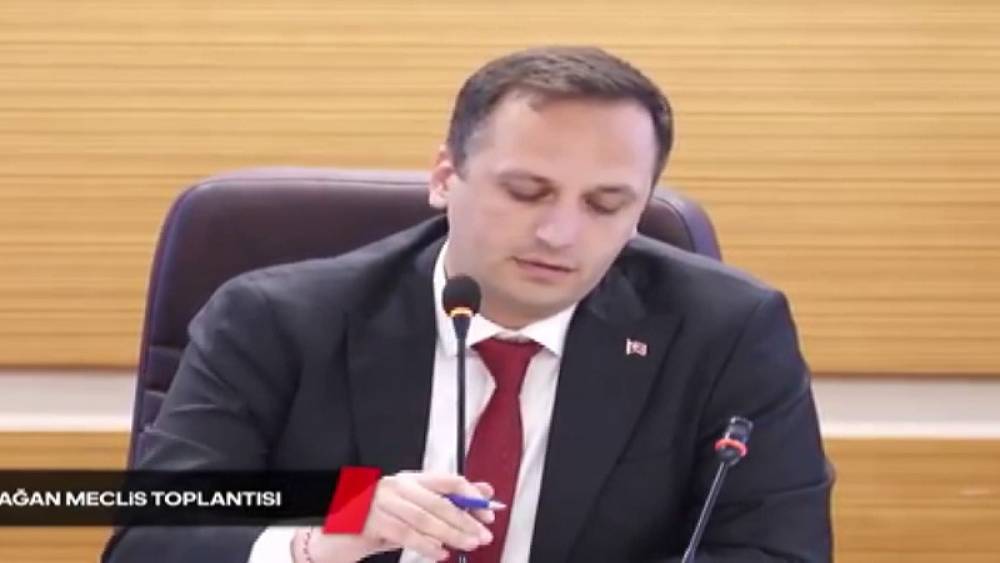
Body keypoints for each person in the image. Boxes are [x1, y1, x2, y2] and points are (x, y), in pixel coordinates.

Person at [104, 46, 833, 563]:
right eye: (526, 192)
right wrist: (325, 531)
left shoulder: (726, 332)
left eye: (606, 204)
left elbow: (777, 550)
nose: (559, 233)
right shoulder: (277, 320)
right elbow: (149, 540)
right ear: (445, 176)